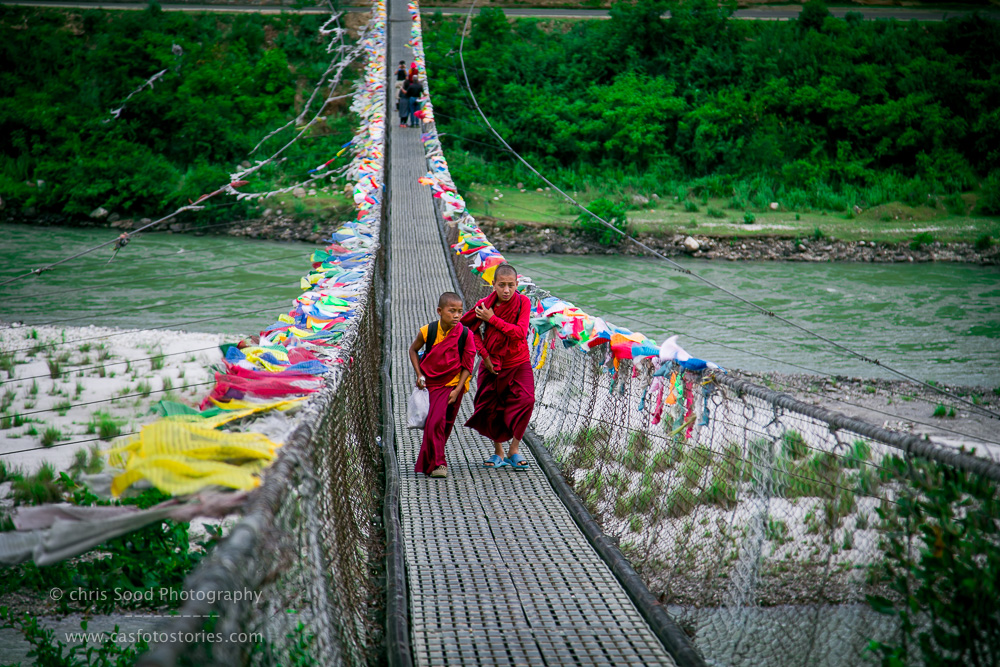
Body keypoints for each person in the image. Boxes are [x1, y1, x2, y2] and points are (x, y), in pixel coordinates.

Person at [460, 264, 535, 471]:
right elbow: (469, 330)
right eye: (502, 285)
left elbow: (520, 333)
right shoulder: (484, 305)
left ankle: (514, 449)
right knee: (491, 407)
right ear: (493, 284)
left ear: (517, 284)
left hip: (519, 361)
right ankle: (499, 451)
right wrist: (484, 356)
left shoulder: (523, 302)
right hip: (491, 363)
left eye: (511, 285)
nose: (506, 290)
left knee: (527, 400)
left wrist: (492, 319)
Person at [409, 292, 475, 478]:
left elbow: (468, 365)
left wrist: (458, 389)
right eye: (451, 311)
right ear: (439, 311)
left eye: (460, 312)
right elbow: (413, 350)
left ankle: (431, 462)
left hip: (454, 385)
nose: (456, 315)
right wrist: (419, 374)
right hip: (432, 384)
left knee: (444, 424)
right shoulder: (428, 331)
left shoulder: (465, 334)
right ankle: (439, 463)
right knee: (434, 422)